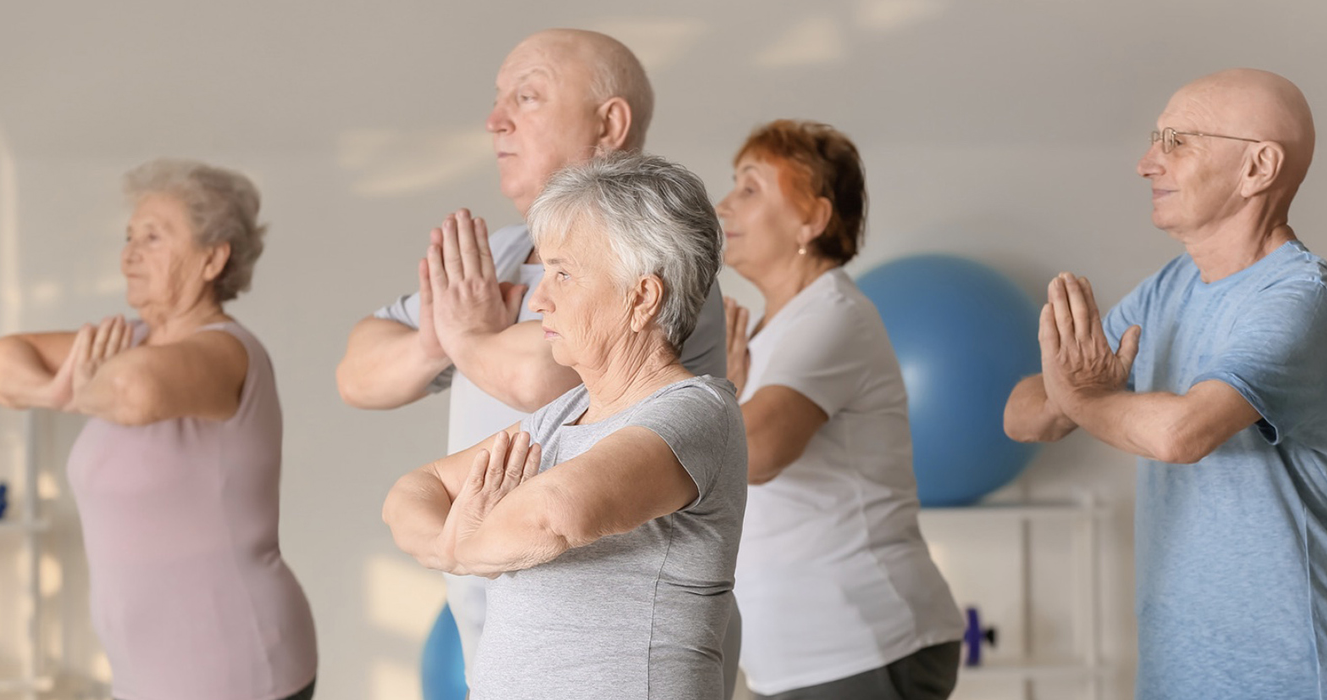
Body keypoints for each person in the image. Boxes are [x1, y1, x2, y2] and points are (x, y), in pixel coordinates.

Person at [335, 27, 732, 686]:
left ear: (609, 124)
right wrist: (448, 336)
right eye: (545, 272)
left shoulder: (670, 281)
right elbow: (361, 382)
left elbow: (538, 382)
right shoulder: (496, 269)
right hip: (498, 649)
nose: (495, 121)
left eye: (528, 96)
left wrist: (459, 336)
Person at [1003, 69, 1327, 699]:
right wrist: (1074, 397)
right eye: (1156, 139)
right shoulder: (1167, 290)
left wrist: (1083, 399)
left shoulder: (1298, 299)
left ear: (1258, 167)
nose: (1147, 163)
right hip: (1179, 676)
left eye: (1178, 141)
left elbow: (1183, 432)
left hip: (1293, 679)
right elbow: (1024, 415)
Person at [383, 153, 745, 700]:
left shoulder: (696, 412)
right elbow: (411, 491)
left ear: (641, 298)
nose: (538, 298)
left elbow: (556, 517)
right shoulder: (559, 417)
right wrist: (454, 543)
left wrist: (458, 550)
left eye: (564, 274)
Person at [0, 159, 318, 700]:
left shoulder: (227, 350)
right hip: (144, 675)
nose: (129, 254)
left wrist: (76, 385)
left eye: (154, 237)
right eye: (129, 236)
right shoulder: (127, 342)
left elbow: (133, 393)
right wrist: (51, 392)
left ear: (213, 258)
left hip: (237, 663)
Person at [718, 120, 962, 700]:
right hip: (798, 657)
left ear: (812, 219)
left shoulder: (833, 317)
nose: (725, 203)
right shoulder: (770, 331)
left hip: (862, 645)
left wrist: (717, 396)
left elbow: (757, 453)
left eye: (750, 188)